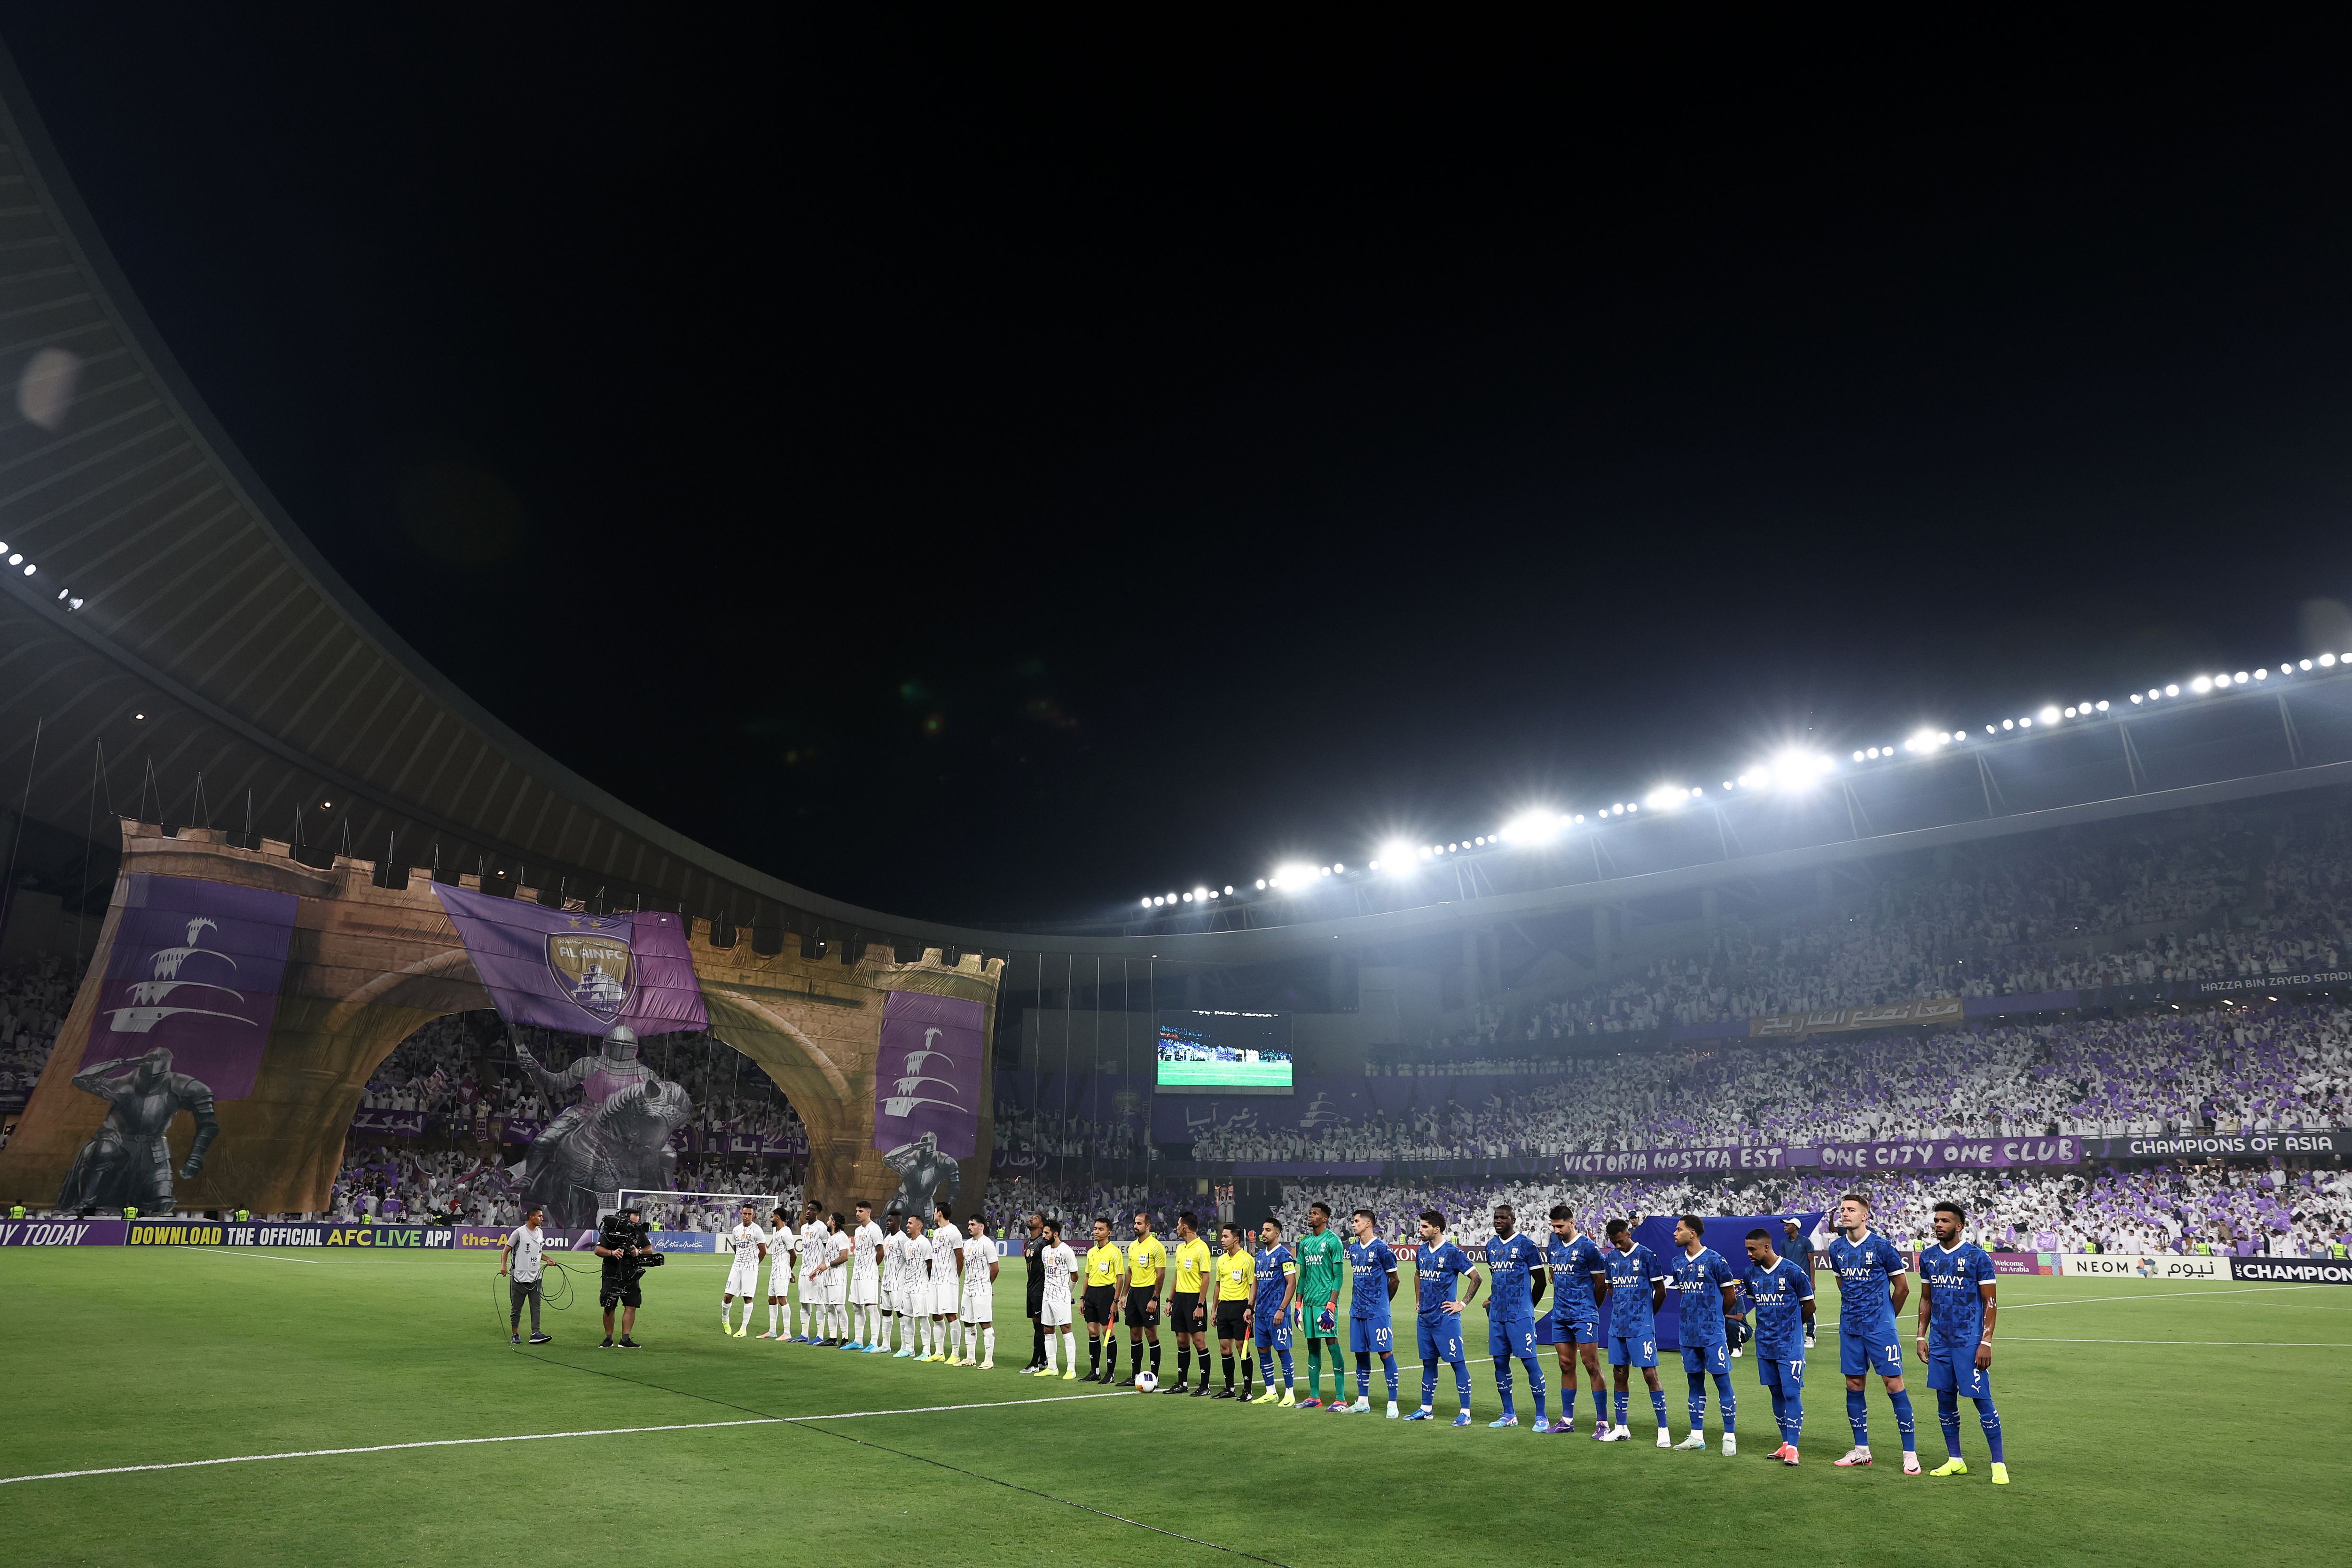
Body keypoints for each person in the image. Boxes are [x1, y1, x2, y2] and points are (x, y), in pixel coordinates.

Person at [1916, 1200, 2007, 1484]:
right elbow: (1927, 1298)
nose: (1939, 1225)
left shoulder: (1978, 1257)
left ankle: (1998, 1464)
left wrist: (1987, 1341)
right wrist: (1921, 1335)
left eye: (1945, 1221)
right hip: (1940, 1341)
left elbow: (1990, 1302)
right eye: (1937, 1221)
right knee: (1944, 1399)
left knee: (1982, 1400)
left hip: (1969, 1340)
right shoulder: (1928, 1257)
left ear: (1960, 1226)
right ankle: (1955, 1460)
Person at [1827, 1191, 1919, 1473]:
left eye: (1851, 1210)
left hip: (1880, 1328)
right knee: (1854, 1384)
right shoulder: (1837, 1249)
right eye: (1842, 1209)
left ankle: (1910, 1453)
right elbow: (1843, 1284)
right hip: (1850, 1328)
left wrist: (1886, 1317)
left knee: (1894, 1383)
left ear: (1865, 1216)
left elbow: (1902, 1288)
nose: (1844, 1213)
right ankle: (1861, 1450)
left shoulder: (1883, 1247)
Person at [1742, 1226, 1815, 1466]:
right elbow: (1758, 1306)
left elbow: (1810, 1307)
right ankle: (1785, 1443)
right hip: (1765, 1344)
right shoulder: (1750, 1275)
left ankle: (1794, 1447)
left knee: (1792, 1392)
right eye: (1747, 1250)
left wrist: (1792, 1328)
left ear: (1767, 1247)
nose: (1750, 1254)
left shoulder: (1793, 1272)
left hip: (1789, 1346)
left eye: (1753, 1249)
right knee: (1776, 1392)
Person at [1669, 1215, 1740, 1455]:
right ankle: (1696, 1435)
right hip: (1688, 1334)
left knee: (1722, 1382)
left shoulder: (1716, 1261)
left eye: (1679, 1229)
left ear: (1693, 1233)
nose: (1675, 1233)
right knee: (1694, 1382)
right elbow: (1684, 1295)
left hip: (1713, 1335)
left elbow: (1730, 1297)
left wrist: (1714, 1319)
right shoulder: (1677, 1263)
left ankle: (1729, 1436)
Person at [1597, 1217, 1671, 1444]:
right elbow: (1611, 1289)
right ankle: (1621, 1427)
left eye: (1620, 1241)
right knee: (1619, 1374)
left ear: (1629, 1234)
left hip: (1642, 1327)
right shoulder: (1610, 1258)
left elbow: (1661, 1291)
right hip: (1618, 1326)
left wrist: (1647, 1315)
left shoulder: (1647, 1256)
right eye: (1613, 1243)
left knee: (1650, 1375)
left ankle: (1663, 1429)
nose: (1618, 1246)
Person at [1403, 1209, 1481, 1425]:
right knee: (1428, 1364)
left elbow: (1476, 1277)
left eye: (1425, 1227)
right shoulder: (1422, 1252)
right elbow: (1419, 1274)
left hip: (1446, 1319)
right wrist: (1419, 1298)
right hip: (1425, 1319)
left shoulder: (1452, 1252)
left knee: (1458, 1363)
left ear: (1436, 1229)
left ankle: (1466, 1412)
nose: (1420, 1230)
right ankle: (1426, 1408)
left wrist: (1462, 1304)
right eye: (1421, 1226)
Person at [1544, 1203, 1611, 1436]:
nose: (1557, 1231)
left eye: (1560, 1226)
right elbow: (1553, 1274)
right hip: (1560, 1315)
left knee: (1591, 1365)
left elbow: (1601, 1285)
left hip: (1584, 1315)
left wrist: (1591, 1310)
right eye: (1553, 1226)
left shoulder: (1588, 1248)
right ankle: (1566, 1420)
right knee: (1566, 1365)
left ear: (1572, 1223)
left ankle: (1602, 1422)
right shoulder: (1553, 1246)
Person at [1482, 1204, 1550, 1429]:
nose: (1498, 1221)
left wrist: (1529, 1306)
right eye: (1496, 1218)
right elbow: (1496, 1276)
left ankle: (1541, 1415)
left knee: (1530, 1363)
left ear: (1513, 1219)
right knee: (1500, 1363)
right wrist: (1493, 1298)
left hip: (1520, 1316)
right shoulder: (1491, 1247)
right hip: (1497, 1315)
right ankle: (1508, 1414)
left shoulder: (1526, 1245)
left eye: (1502, 1218)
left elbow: (1540, 1280)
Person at [1342, 1207, 1401, 1416]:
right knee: (1361, 1355)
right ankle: (1363, 1401)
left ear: (1368, 1224)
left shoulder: (1383, 1250)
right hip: (1357, 1310)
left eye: (1357, 1221)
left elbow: (1395, 1280)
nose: (1353, 1224)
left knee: (1385, 1354)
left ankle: (1392, 1403)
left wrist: (1384, 1302)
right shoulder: (1354, 1250)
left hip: (1377, 1312)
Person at [1294, 1201, 1348, 1408]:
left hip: (1326, 1304)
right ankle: (1314, 1396)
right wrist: (1298, 1303)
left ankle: (1341, 1398)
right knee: (1312, 1347)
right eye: (1310, 1213)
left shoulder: (1333, 1241)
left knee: (1332, 1346)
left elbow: (1339, 1277)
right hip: (1308, 1303)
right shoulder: (1306, 1243)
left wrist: (1331, 1306)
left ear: (1324, 1219)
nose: (1310, 1216)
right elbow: (1304, 1275)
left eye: (1315, 1214)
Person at [1251, 1218, 1299, 1405]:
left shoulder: (1284, 1255)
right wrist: (1250, 1307)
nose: (1263, 1233)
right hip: (1261, 1313)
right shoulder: (1260, 1256)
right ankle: (1270, 1391)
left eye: (1268, 1230)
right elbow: (1255, 1283)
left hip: (1278, 1314)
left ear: (1277, 1233)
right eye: (1263, 1229)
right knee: (1263, 1351)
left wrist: (1282, 1309)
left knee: (1282, 1351)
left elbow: (1291, 1283)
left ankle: (1290, 1393)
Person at [1120, 1209, 1168, 1388]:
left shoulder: (1156, 1246)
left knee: (1150, 1333)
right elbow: (1130, 1272)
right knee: (1134, 1334)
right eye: (1135, 1223)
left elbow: (1161, 1274)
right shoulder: (1133, 1246)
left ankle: (1154, 1377)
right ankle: (1135, 1375)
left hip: (1148, 1293)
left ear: (1148, 1226)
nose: (1135, 1226)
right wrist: (1124, 1295)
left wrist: (1155, 1298)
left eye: (1139, 1223)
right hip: (1134, 1293)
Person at [1168, 1210, 1214, 1395]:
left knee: (1199, 1341)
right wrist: (1170, 1300)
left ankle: (1205, 1386)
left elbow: (1206, 1278)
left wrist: (1200, 1305)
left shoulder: (1202, 1248)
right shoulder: (1180, 1248)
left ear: (1185, 1227)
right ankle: (1182, 1383)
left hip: (1194, 1299)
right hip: (1180, 1298)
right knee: (1181, 1341)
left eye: (1179, 1225)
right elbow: (1177, 1275)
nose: (1177, 1228)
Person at [594, 1203, 651, 1349]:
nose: (638, 1218)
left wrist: (639, 1252)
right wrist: (612, 1253)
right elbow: (598, 1250)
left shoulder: (639, 1232)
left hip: (631, 1273)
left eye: (638, 1215)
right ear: (627, 1216)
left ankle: (625, 1339)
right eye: (635, 1215)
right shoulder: (611, 1230)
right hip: (612, 1272)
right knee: (609, 1305)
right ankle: (608, 1339)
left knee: (631, 1305)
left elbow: (649, 1249)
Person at [1210, 1222, 1256, 1399]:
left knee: (1241, 1348)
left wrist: (1250, 1308)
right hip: (1224, 1308)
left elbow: (1253, 1286)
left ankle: (1248, 1390)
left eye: (1226, 1236)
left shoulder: (1247, 1260)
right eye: (1222, 1236)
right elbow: (1218, 1285)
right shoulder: (1222, 1260)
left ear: (1236, 1239)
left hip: (1240, 1307)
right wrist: (1214, 1309)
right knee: (1224, 1348)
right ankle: (1229, 1389)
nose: (1222, 1240)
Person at [499, 1203, 553, 1344]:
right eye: (540, 1216)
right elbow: (506, 1250)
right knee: (516, 1308)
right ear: (531, 1217)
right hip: (519, 1276)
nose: (542, 1218)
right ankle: (515, 1334)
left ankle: (536, 1333)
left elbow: (538, 1252)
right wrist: (504, 1267)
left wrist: (548, 1260)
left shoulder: (540, 1233)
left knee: (536, 1306)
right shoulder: (519, 1233)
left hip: (535, 1277)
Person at [1082, 1217, 1125, 1382]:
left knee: (1107, 1333)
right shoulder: (1091, 1252)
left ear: (1109, 1233)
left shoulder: (1114, 1252)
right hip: (1091, 1293)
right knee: (1092, 1332)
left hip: (1107, 1293)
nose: (1096, 1232)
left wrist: (1116, 1301)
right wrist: (1083, 1298)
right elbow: (1087, 1276)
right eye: (1095, 1229)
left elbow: (1120, 1278)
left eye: (1100, 1229)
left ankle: (1110, 1373)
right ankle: (1095, 1371)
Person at [1038, 1216, 1079, 1379]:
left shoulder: (1066, 1250)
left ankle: (1071, 1369)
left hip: (1061, 1294)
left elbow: (1075, 1275)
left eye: (1046, 1233)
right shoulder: (1045, 1251)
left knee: (1066, 1330)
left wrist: (1068, 1292)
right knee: (1048, 1330)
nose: (1043, 1236)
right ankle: (1052, 1366)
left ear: (1055, 1234)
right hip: (1047, 1295)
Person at [959, 1215, 1001, 1367]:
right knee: (968, 1323)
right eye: (969, 1224)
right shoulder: (968, 1244)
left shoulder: (987, 1244)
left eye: (973, 1224)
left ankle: (988, 1360)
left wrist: (987, 1285)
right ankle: (970, 1358)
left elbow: (995, 1269)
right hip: (968, 1288)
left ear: (981, 1227)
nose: (970, 1227)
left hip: (981, 1289)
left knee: (985, 1323)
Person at [928, 1200, 964, 1363]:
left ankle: (955, 1354)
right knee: (936, 1315)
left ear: (940, 1213)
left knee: (951, 1314)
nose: (934, 1214)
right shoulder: (936, 1233)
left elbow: (960, 1257)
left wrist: (955, 1277)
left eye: (935, 1211)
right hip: (935, 1281)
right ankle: (939, 1352)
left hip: (948, 1280)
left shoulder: (954, 1232)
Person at [849, 1201, 887, 1352]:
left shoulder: (875, 1229)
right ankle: (858, 1341)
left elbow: (881, 1251)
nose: (857, 1214)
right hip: (857, 1274)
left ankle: (874, 1342)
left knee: (871, 1307)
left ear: (868, 1212)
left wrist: (873, 1269)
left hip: (868, 1274)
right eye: (857, 1211)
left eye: (860, 1211)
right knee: (857, 1307)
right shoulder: (858, 1231)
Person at [893, 1212, 930, 1358]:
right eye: (907, 1223)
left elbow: (930, 1264)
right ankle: (909, 1349)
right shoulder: (907, 1244)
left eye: (910, 1223)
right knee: (906, 1318)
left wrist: (928, 1284)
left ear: (919, 1226)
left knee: (922, 1318)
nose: (907, 1226)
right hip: (907, 1287)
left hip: (920, 1287)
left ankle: (926, 1350)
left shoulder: (924, 1242)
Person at [1019, 1212, 1049, 1373]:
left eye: (1036, 1219)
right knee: (1037, 1324)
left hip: (1041, 1289)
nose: (1031, 1219)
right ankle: (1044, 1359)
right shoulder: (1029, 1243)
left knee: (1040, 1325)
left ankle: (1035, 1363)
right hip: (1031, 1288)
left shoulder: (1043, 1243)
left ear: (1042, 1225)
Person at [793, 1201, 826, 1343]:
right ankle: (804, 1334)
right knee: (804, 1302)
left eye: (812, 1210)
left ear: (818, 1212)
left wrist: (822, 1266)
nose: (808, 1212)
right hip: (804, 1270)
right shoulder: (804, 1228)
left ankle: (820, 1336)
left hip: (817, 1272)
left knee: (819, 1302)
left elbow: (828, 1248)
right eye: (808, 1209)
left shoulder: (822, 1228)